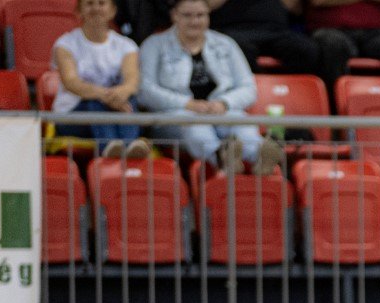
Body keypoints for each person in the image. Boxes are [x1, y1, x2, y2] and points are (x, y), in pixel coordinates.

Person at [139, 0, 283, 173]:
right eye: (187, 15)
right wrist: (187, 104)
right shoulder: (154, 45)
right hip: (176, 115)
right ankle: (222, 159)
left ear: (208, 16)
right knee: (196, 129)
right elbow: (145, 90)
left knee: (242, 126)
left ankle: (260, 158)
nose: (194, 21)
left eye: (200, 15)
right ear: (174, 15)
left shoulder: (226, 44)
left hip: (221, 111)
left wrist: (224, 103)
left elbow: (248, 88)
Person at [51, 0, 146, 157]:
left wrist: (117, 95)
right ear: (78, 11)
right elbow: (71, 83)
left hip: (115, 111)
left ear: (113, 10)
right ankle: (116, 148)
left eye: (101, 3)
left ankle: (125, 149)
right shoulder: (65, 44)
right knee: (95, 102)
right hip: (71, 118)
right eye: (89, 3)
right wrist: (105, 97)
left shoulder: (126, 45)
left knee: (131, 100)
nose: (95, 8)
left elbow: (132, 82)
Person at [207, 0, 327, 79]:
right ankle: (258, 93)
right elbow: (206, 5)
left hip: (276, 30)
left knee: (306, 49)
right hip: (234, 30)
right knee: (239, 50)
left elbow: (296, 9)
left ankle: (285, 92)